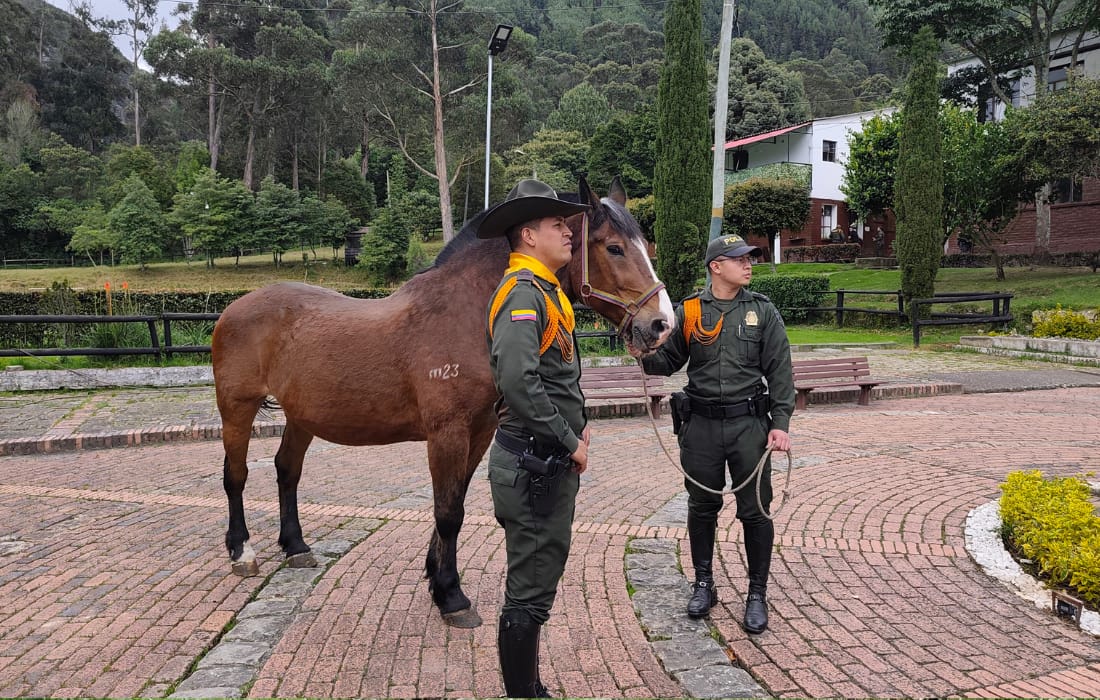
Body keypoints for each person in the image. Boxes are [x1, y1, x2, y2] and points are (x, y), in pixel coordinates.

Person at [641, 233, 794, 634]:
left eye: (750, 258)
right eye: (739, 259)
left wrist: (780, 425)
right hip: (702, 426)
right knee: (702, 506)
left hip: (749, 427)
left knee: (755, 511)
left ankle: (757, 593)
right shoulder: (689, 311)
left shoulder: (763, 311)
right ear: (716, 266)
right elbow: (667, 362)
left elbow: (780, 372)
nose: (748, 264)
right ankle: (704, 584)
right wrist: (642, 349)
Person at [478, 179, 591, 697]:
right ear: (527, 235)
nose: (568, 233)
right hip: (533, 463)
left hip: (541, 462)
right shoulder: (523, 295)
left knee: (538, 583)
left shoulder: (545, 292)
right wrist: (570, 440)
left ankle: (530, 687)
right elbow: (518, 382)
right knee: (529, 589)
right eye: (556, 225)